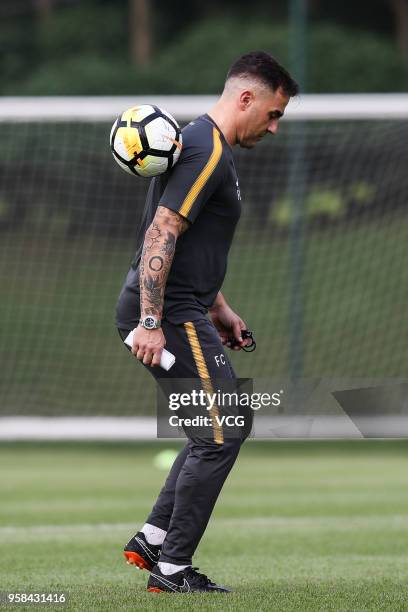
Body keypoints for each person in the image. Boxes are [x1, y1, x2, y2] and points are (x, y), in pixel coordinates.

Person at [116, 50, 298, 593]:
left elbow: (192, 242)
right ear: (247, 98)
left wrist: (219, 308)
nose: (274, 126)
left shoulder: (206, 144)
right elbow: (162, 231)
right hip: (167, 312)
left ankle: (153, 538)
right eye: (273, 114)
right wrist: (150, 320)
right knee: (222, 432)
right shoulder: (206, 151)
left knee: (213, 428)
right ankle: (171, 569)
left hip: (183, 307)